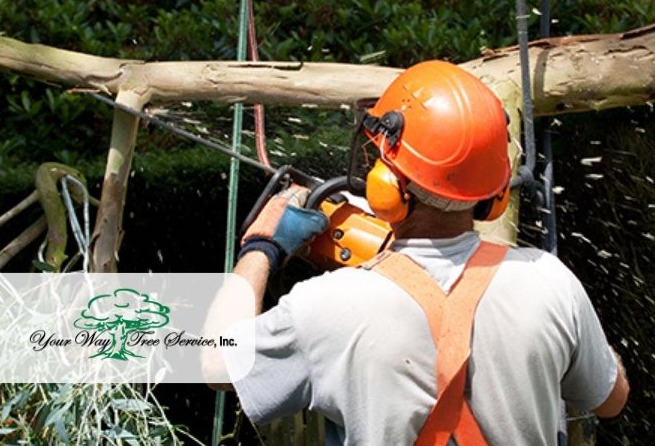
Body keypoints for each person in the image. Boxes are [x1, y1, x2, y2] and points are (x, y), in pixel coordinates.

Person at [204, 60, 629, 446]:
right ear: (493, 194)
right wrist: (582, 345)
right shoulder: (551, 282)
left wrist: (262, 245)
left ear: (386, 183)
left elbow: (214, 361)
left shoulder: (324, 307)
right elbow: (611, 400)